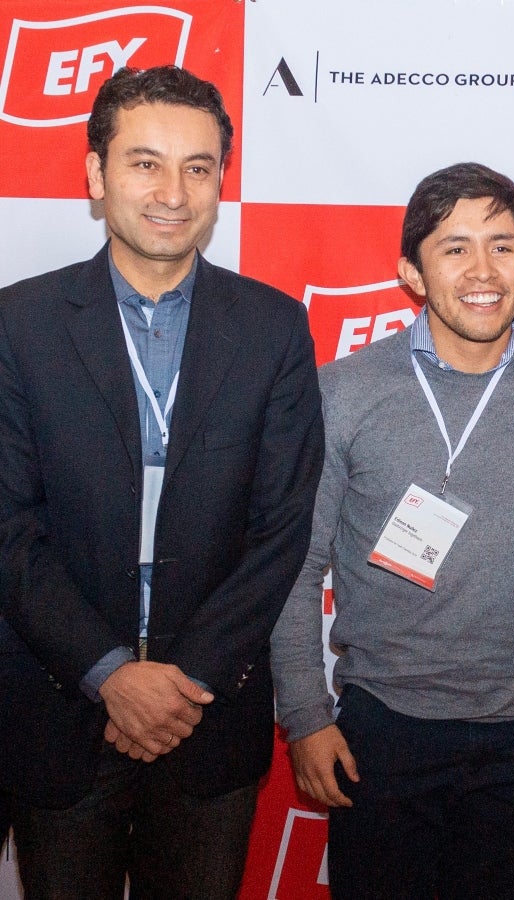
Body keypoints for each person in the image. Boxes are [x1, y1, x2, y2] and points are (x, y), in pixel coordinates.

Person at [0, 66, 324, 899]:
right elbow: (8, 526)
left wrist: (181, 685)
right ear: (96, 174)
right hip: (60, 708)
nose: (173, 193)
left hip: (207, 716)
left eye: (197, 168)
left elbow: (281, 527)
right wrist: (110, 673)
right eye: (145, 163)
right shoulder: (18, 324)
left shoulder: (274, 328)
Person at [270, 162, 514, 900]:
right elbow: (295, 565)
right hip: (384, 726)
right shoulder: (343, 391)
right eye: (454, 247)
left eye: (503, 246)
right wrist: (305, 717)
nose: (483, 270)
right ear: (411, 272)